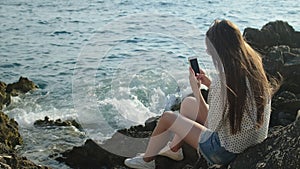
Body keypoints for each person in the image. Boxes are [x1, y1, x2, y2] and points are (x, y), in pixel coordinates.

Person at [124, 19, 274, 169]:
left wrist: (197, 91)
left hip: (224, 152)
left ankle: (147, 161)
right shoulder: (254, 68)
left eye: (210, 49)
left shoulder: (223, 81)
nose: (208, 52)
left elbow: (212, 127)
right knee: (188, 104)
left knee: (168, 118)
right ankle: (174, 149)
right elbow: (237, 95)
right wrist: (208, 84)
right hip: (252, 141)